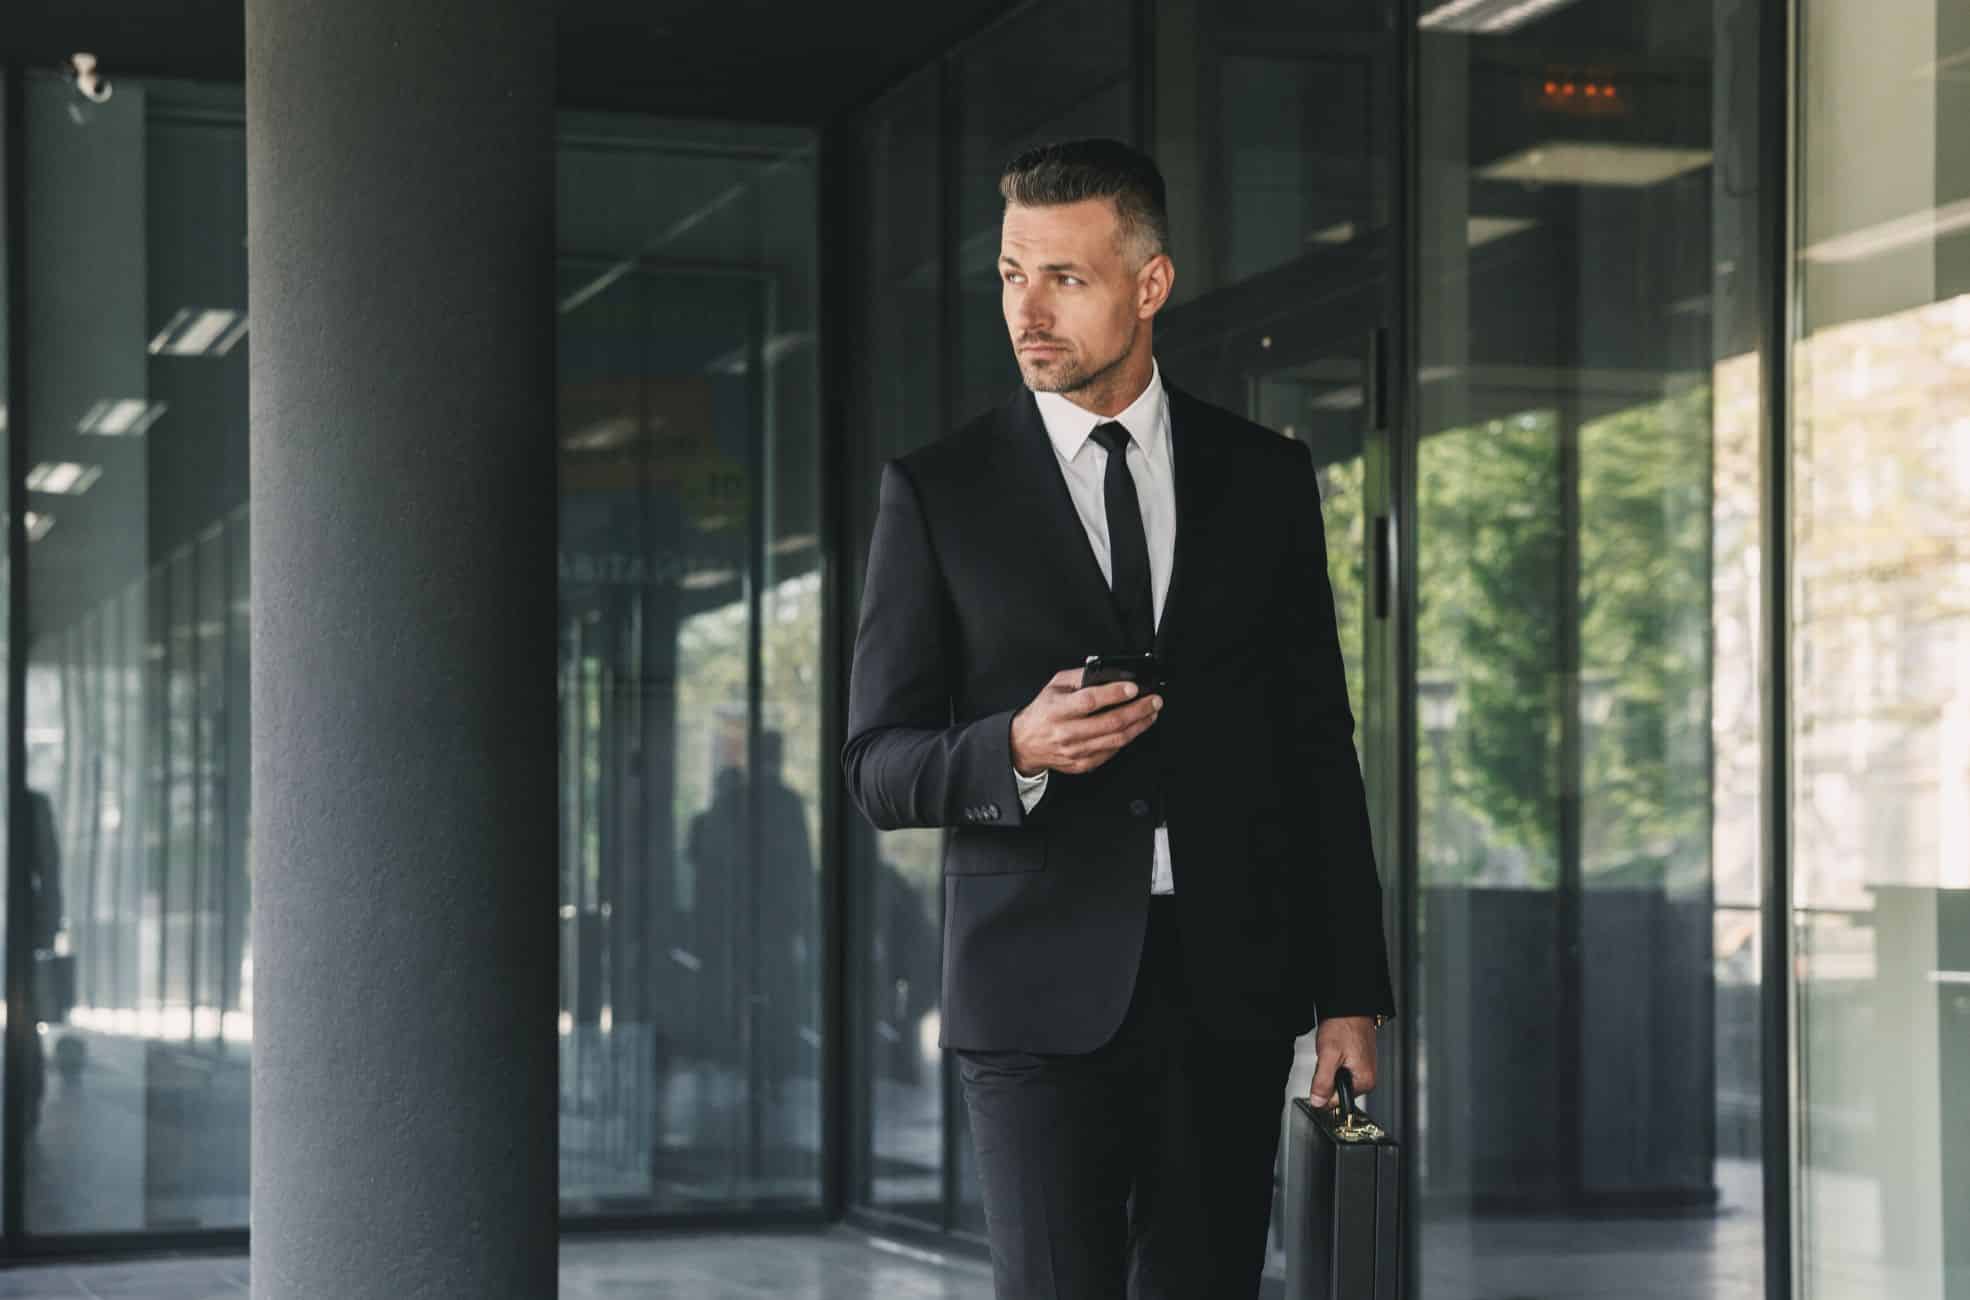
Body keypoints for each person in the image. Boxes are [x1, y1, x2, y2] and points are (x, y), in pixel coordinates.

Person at [841, 138, 1396, 1298]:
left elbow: (1316, 748)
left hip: (1230, 993)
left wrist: (1348, 991)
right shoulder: (937, 493)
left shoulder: (1265, 478)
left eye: (1063, 279)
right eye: (1008, 275)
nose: (1026, 311)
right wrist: (1010, 749)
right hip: (1033, 1003)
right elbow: (875, 765)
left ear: (1148, 286)